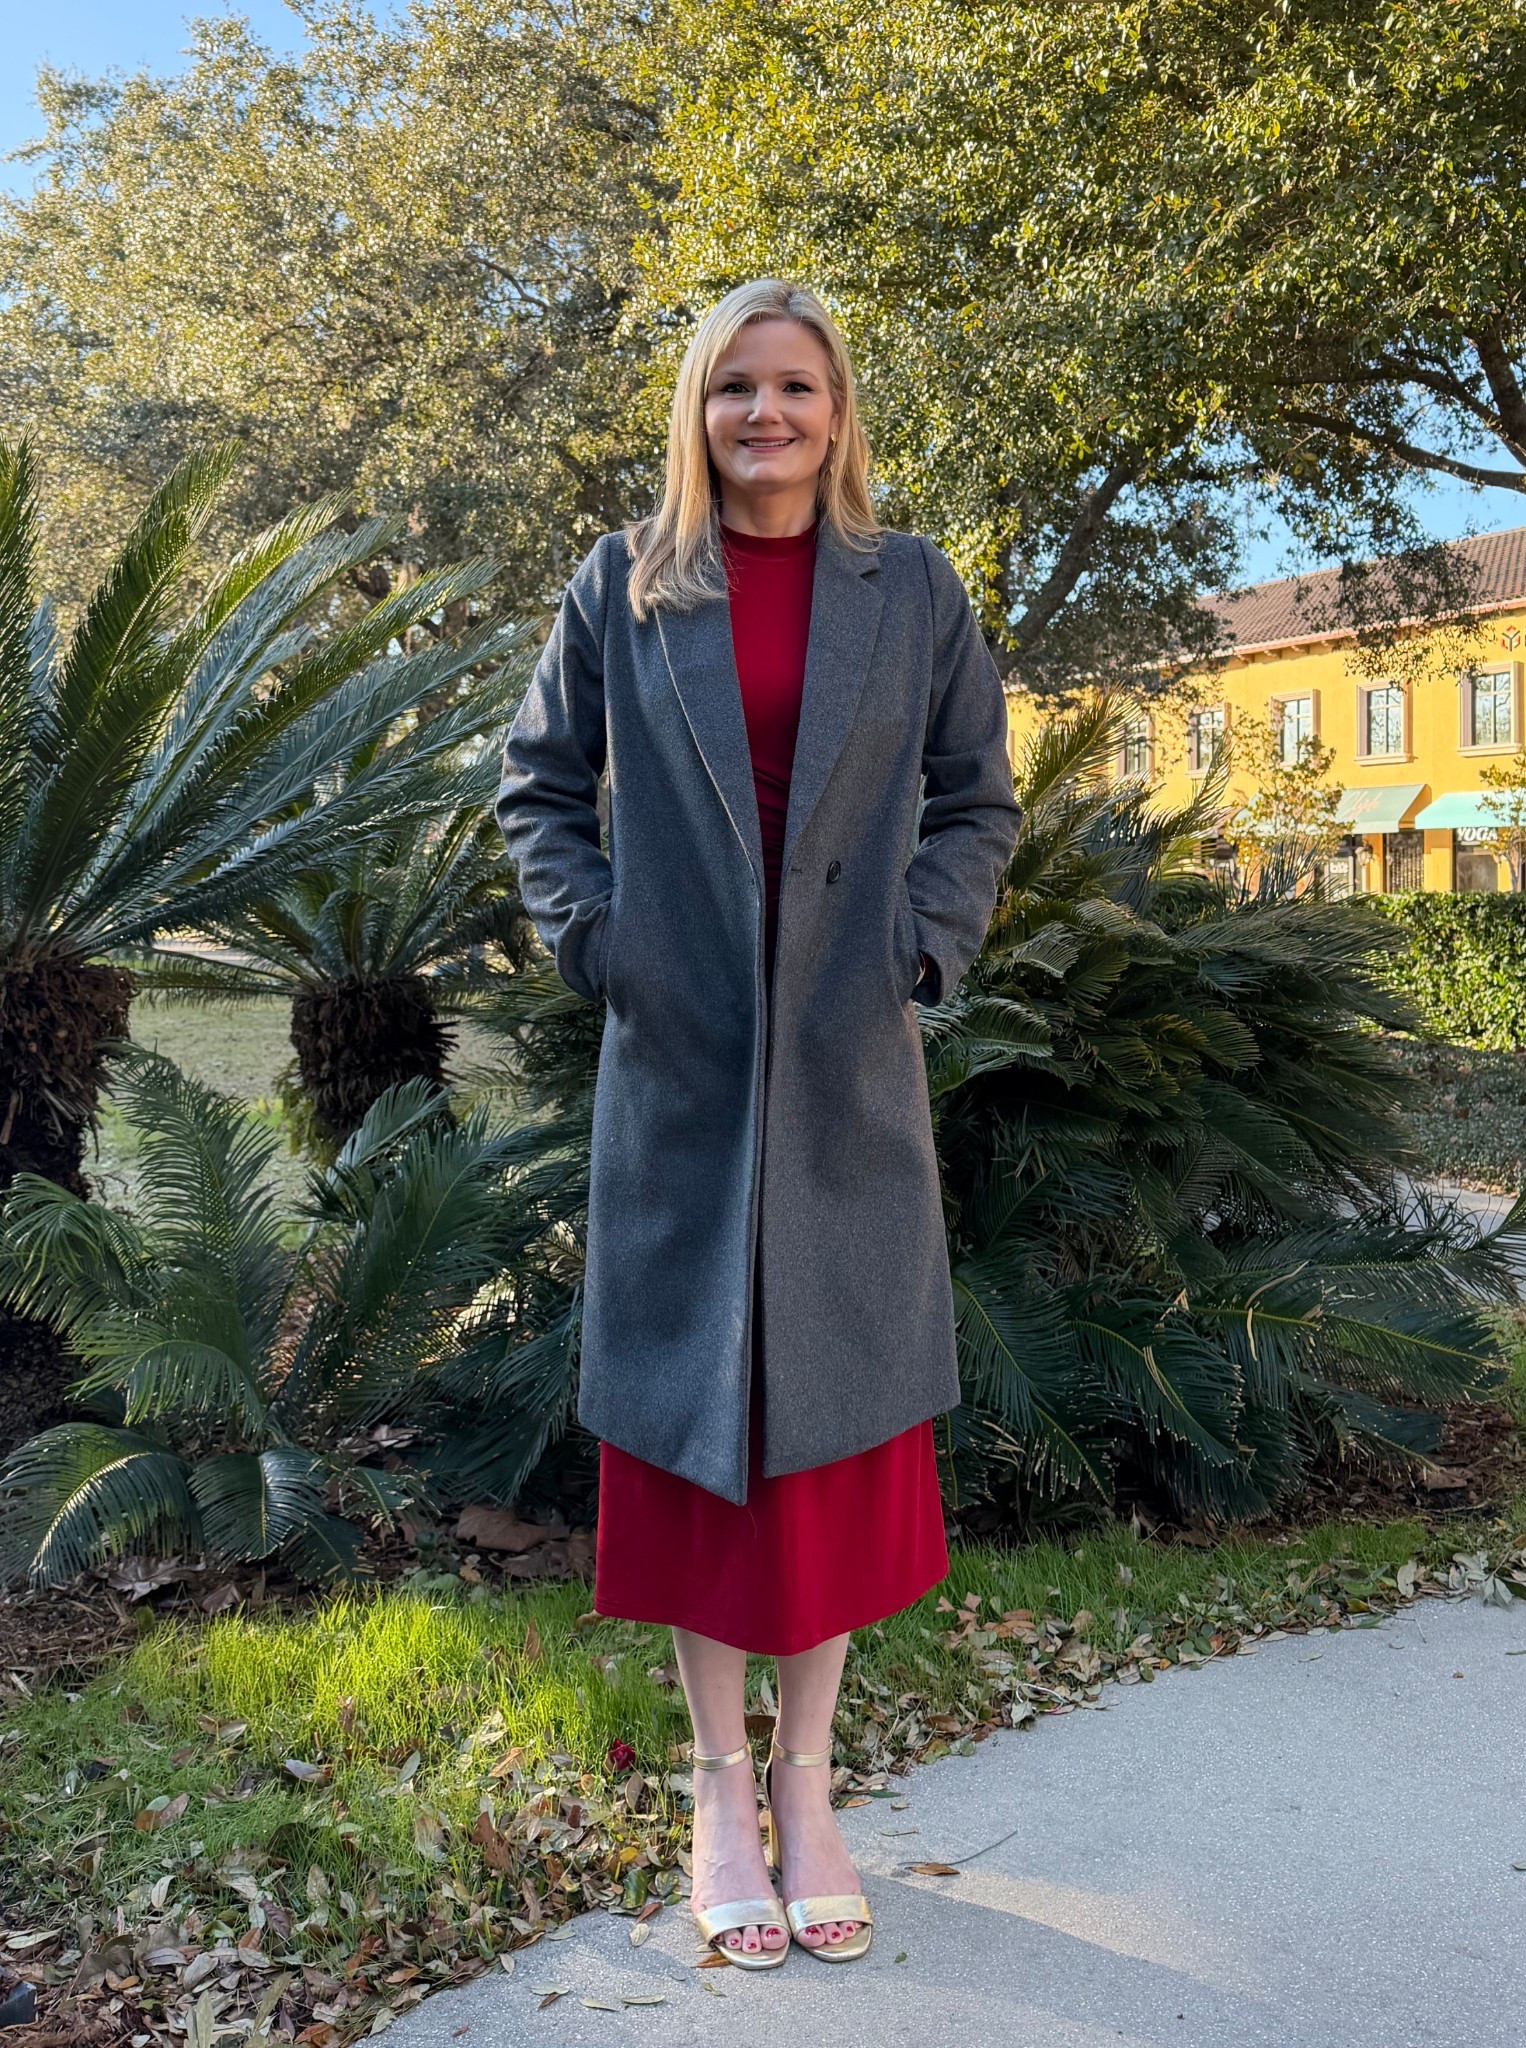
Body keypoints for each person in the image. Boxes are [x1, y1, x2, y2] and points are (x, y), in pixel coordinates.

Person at [495, 277, 1021, 1970]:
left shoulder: (915, 588)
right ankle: (720, 1788)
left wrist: (922, 944)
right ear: (697, 410)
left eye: (795, 386)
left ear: (839, 409)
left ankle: (810, 1788)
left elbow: (976, 797)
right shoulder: (629, 583)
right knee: (702, 1435)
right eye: (737, 388)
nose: (767, 416)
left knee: (830, 1440)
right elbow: (538, 789)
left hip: (850, 1061)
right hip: (685, 1060)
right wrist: (605, 939)